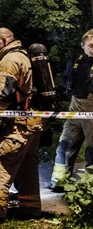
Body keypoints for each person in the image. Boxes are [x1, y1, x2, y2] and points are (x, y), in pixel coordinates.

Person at [0, 28, 45, 225]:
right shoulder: (24, 56)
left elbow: (4, 95)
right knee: (27, 166)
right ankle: (31, 209)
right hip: (34, 123)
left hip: (18, 124)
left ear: (5, 39)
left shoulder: (10, 60)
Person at [48, 29, 93, 192]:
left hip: (92, 106)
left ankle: (89, 186)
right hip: (75, 104)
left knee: (92, 149)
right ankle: (60, 181)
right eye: (91, 45)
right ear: (83, 45)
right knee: (65, 144)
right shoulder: (76, 60)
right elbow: (67, 78)